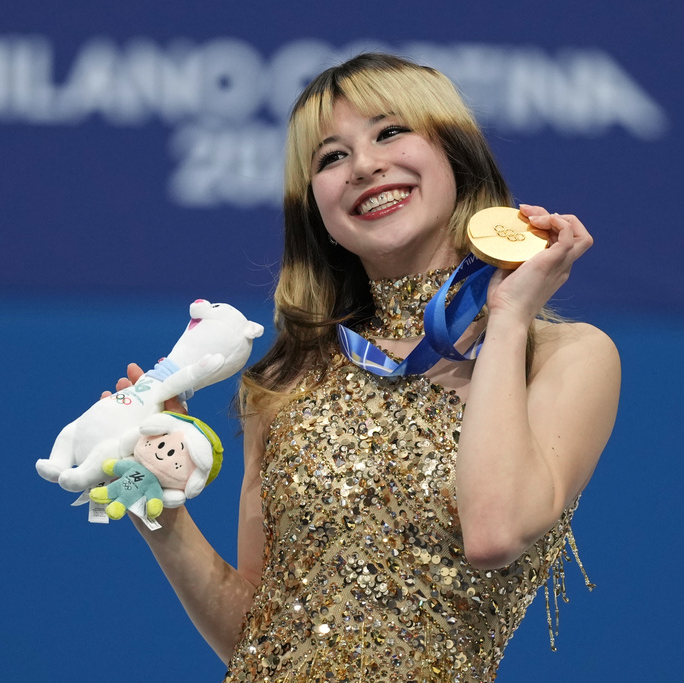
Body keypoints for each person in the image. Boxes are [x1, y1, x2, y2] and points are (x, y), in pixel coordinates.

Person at [109, 53, 620, 681]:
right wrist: (160, 510)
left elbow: (494, 532)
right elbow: (261, 636)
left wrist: (508, 315)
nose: (365, 166)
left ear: (455, 153)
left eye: (391, 131)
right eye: (330, 157)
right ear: (314, 209)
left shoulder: (563, 357)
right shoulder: (285, 380)